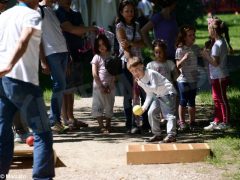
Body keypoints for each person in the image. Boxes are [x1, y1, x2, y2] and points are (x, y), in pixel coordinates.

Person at [0, 0, 55, 178]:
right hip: (22, 80)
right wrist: (9, 65)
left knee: (2, 130)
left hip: (2, 81)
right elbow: (25, 38)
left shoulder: (4, 15)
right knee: (42, 132)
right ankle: (42, 177)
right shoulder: (33, 14)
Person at [55, 0, 97, 129]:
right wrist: (90, 28)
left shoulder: (76, 13)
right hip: (64, 53)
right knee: (65, 86)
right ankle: (65, 118)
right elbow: (72, 29)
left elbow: (81, 32)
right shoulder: (58, 13)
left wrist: (82, 30)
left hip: (78, 53)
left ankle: (70, 117)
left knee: (71, 87)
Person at [116, 0, 150, 134]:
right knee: (129, 94)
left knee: (144, 92)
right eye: (126, 11)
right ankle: (130, 124)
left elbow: (143, 43)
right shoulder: (119, 26)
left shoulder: (137, 24)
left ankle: (146, 122)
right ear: (121, 12)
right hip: (127, 65)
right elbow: (125, 48)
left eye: (131, 11)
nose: (130, 13)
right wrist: (132, 66)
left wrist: (131, 42)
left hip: (140, 64)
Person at [127, 56, 177, 143]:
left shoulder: (150, 73)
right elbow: (150, 93)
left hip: (168, 93)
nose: (135, 72)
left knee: (168, 114)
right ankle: (157, 135)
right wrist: (144, 107)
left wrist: (142, 84)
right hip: (158, 95)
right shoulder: (140, 80)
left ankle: (171, 135)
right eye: (132, 71)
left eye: (137, 69)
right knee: (151, 112)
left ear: (142, 66)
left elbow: (154, 87)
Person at [39, 0, 69, 133]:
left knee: (62, 86)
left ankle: (56, 120)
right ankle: (53, 121)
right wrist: (43, 61)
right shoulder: (39, 9)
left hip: (63, 51)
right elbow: (37, 36)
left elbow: (58, 33)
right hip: (52, 53)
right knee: (60, 85)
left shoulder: (52, 10)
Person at [202, 17, 231, 131]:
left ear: (213, 31)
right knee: (216, 98)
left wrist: (206, 56)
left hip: (220, 76)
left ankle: (225, 121)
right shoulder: (220, 42)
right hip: (216, 76)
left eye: (209, 29)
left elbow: (215, 62)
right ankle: (217, 120)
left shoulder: (217, 44)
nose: (208, 31)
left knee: (221, 99)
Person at [147, 39, 179, 122]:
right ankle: (159, 127)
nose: (158, 54)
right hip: (156, 92)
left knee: (169, 111)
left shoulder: (169, 63)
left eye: (160, 52)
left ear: (164, 51)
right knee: (154, 110)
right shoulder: (150, 65)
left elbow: (177, 75)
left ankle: (172, 128)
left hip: (168, 92)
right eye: (156, 52)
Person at [175, 25, 200, 131]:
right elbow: (178, 65)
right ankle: (181, 122)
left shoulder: (195, 48)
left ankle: (192, 122)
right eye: (190, 35)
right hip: (183, 80)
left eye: (194, 35)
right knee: (183, 100)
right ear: (184, 37)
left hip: (193, 80)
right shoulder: (180, 50)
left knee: (192, 101)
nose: (193, 37)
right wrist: (184, 58)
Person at [91, 34, 115, 133]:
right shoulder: (96, 57)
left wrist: (110, 85)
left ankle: (108, 124)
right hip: (98, 86)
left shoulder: (111, 56)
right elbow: (94, 73)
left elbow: (114, 72)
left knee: (109, 104)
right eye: (99, 45)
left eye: (103, 44)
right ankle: (101, 126)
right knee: (98, 105)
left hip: (110, 86)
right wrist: (101, 86)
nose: (101, 47)